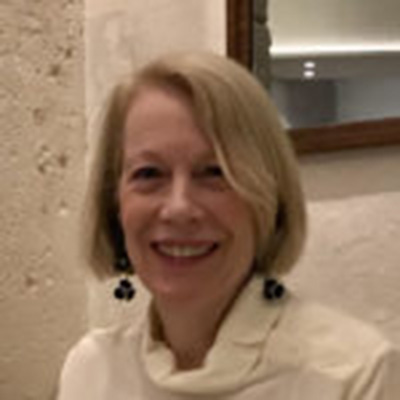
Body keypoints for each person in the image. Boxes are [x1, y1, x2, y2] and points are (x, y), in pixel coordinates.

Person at [57, 52, 400, 399]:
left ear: (269, 199)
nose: (179, 209)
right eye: (149, 174)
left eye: (215, 172)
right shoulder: (92, 370)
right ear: (113, 203)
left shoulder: (353, 374)